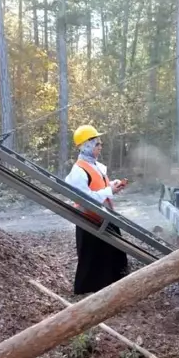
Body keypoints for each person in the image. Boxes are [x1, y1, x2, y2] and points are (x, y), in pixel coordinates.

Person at [65, 124, 129, 295]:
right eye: (97, 144)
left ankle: (114, 285)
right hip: (90, 219)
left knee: (113, 254)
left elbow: (98, 186)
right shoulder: (78, 171)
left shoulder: (96, 166)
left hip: (104, 216)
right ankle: (88, 291)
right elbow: (85, 198)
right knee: (91, 258)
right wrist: (109, 191)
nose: (100, 147)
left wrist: (112, 185)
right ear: (87, 146)